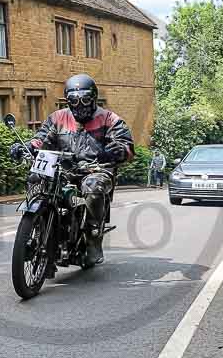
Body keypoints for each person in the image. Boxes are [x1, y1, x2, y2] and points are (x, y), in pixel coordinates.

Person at [9, 73, 134, 268]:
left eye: (85, 99)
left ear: (93, 98)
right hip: (63, 169)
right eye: (74, 100)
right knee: (35, 176)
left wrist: (118, 149)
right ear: (68, 100)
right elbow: (42, 138)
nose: (79, 105)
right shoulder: (58, 118)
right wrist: (28, 146)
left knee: (93, 187)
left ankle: (93, 238)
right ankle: (39, 226)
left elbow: (126, 146)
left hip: (95, 169)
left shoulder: (109, 119)